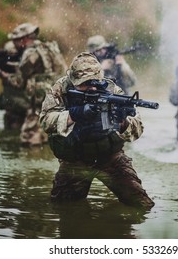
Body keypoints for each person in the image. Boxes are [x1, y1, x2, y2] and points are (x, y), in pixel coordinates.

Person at [39, 52, 154, 209]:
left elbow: (137, 130)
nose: (92, 88)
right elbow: (45, 121)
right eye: (85, 84)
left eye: (95, 83)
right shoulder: (61, 89)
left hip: (110, 158)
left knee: (142, 205)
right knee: (63, 209)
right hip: (75, 161)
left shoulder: (112, 90)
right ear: (73, 80)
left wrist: (122, 121)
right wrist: (75, 114)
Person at [0, 23, 67, 146]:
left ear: (23, 39)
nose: (14, 44)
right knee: (50, 130)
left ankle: (32, 159)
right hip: (56, 96)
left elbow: (20, 80)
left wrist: (5, 76)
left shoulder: (30, 53)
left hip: (39, 98)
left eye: (15, 41)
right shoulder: (49, 47)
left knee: (29, 138)